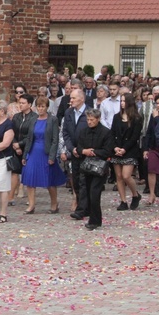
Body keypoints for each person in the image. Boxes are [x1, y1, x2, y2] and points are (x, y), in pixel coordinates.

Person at [21, 97, 66, 214]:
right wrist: (25, 155)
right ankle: (31, 205)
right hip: (33, 151)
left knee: (49, 180)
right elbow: (29, 138)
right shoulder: (33, 120)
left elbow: (55, 139)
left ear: (47, 107)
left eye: (42, 106)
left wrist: (52, 156)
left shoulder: (53, 120)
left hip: (46, 152)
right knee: (30, 179)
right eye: (38, 106)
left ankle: (54, 204)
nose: (40, 109)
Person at [76, 109, 115, 230]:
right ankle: (93, 217)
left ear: (98, 119)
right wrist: (84, 151)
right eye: (88, 119)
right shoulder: (83, 132)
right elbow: (79, 147)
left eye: (92, 120)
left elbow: (108, 150)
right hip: (87, 167)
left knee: (94, 193)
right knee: (87, 192)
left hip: (100, 168)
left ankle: (94, 220)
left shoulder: (106, 132)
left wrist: (93, 152)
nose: (89, 122)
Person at [111, 93, 143, 211]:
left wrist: (124, 149)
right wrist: (115, 148)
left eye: (124, 101)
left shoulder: (136, 118)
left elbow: (135, 137)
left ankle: (135, 194)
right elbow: (112, 133)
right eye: (121, 101)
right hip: (117, 149)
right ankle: (123, 200)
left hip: (129, 150)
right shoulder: (116, 117)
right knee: (118, 176)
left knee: (126, 175)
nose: (122, 103)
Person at [62, 89, 89, 219]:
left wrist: (81, 149)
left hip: (86, 152)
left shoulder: (89, 112)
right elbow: (65, 133)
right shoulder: (68, 113)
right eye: (70, 98)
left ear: (82, 99)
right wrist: (71, 148)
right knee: (76, 181)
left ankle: (83, 208)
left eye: (73, 98)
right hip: (74, 153)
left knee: (85, 182)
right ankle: (81, 205)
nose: (70, 100)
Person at [10, 93, 37, 207]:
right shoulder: (16, 117)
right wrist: (15, 144)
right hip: (16, 146)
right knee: (15, 171)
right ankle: (10, 197)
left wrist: (20, 145)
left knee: (29, 173)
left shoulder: (34, 117)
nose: (20, 105)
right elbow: (12, 131)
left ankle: (31, 199)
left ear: (29, 104)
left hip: (29, 147)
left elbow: (31, 135)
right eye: (19, 103)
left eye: (23, 103)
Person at [143, 93, 159, 205]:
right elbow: (149, 132)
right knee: (151, 170)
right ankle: (152, 193)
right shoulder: (154, 116)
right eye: (156, 103)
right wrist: (145, 148)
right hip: (154, 146)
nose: (158, 105)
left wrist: (157, 117)